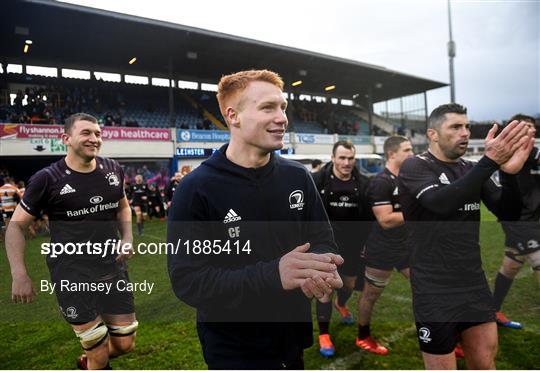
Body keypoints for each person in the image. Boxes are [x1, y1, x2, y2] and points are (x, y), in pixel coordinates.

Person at [167, 69, 344, 369]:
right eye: (267, 108)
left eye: (283, 107)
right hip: (235, 349)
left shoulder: (297, 176)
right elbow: (189, 281)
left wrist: (321, 268)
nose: (282, 118)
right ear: (233, 116)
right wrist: (274, 274)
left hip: (292, 340)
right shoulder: (196, 188)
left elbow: (322, 240)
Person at [398, 103, 534, 369]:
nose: (465, 133)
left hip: (474, 285)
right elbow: (441, 202)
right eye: (456, 127)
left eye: (467, 127)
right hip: (434, 291)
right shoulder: (415, 166)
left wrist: (509, 175)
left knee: (485, 364)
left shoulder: (471, 169)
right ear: (433, 134)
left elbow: (510, 211)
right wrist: (489, 162)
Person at [6, 113, 137, 370]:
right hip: (72, 273)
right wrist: (19, 273)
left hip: (112, 268)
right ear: (66, 138)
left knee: (125, 344)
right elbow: (15, 227)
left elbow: (123, 207)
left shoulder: (113, 169)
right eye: (86, 133)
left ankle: (86, 363)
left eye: (98, 133)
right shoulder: (48, 179)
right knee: (98, 356)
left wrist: (128, 237)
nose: (94, 139)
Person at [311, 140, 372, 357]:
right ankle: (324, 334)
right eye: (342, 158)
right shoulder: (317, 181)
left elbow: (370, 218)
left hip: (352, 247)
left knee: (349, 285)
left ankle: (341, 303)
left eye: (351, 158)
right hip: (324, 245)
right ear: (333, 158)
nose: (346, 162)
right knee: (325, 290)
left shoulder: (364, 184)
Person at [357, 136, 413, 355]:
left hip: (407, 247)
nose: (412, 154)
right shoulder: (381, 182)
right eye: (407, 150)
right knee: (371, 295)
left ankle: (439, 336)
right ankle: (363, 336)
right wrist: (415, 213)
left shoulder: (408, 179)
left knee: (427, 288)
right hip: (382, 249)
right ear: (392, 154)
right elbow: (386, 220)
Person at [493, 113, 540, 329]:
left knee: (510, 266)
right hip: (519, 221)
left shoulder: (529, 152)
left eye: (533, 127)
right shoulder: (515, 151)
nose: (531, 131)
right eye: (526, 127)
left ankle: (492, 312)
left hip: (529, 219)